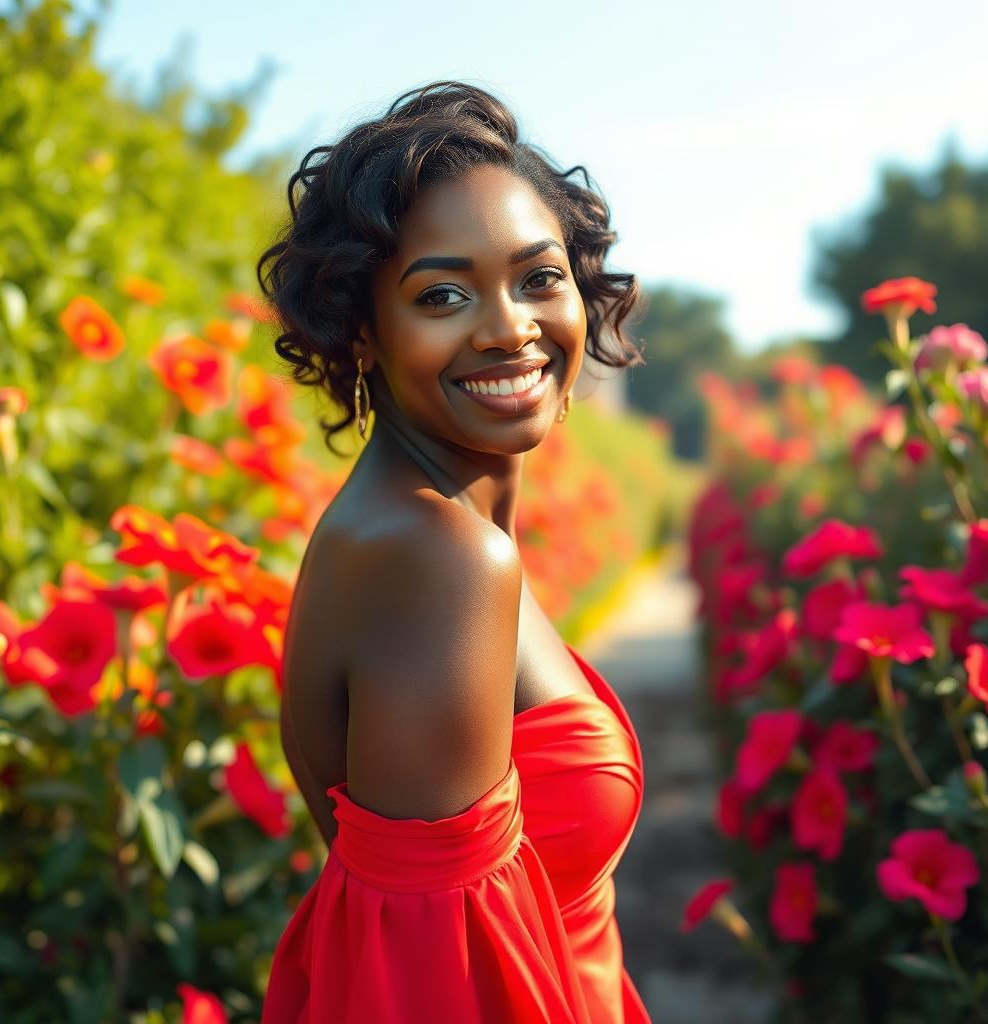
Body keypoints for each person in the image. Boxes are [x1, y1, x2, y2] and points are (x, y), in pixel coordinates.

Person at [258, 80, 651, 1023]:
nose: (508, 325)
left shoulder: (421, 528)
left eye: (538, 277)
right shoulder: (438, 558)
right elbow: (431, 982)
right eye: (443, 293)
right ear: (363, 331)